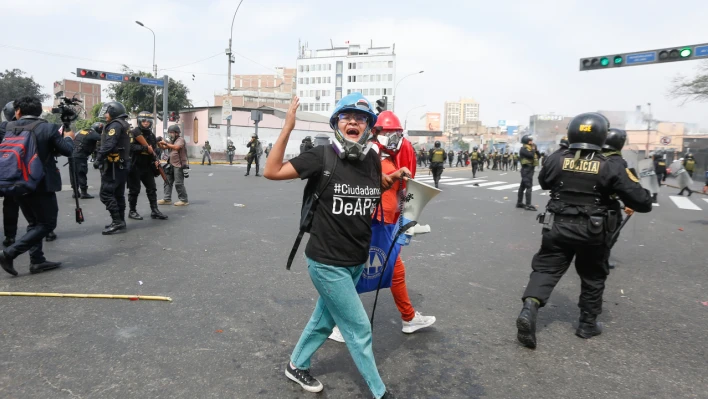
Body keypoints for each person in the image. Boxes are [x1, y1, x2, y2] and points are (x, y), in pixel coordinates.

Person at [264, 94, 399, 399]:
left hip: (357, 260)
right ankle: (380, 392)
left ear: (368, 127)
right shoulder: (321, 156)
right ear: (337, 122)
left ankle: (296, 364)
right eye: (346, 116)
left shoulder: (372, 160)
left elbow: (371, 187)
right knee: (359, 327)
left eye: (361, 117)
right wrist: (288, 127)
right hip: (326, 262)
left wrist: (392, 179)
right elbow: (271, 171)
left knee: (324, 319)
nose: (353, 121)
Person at [515, 113, 652, 349]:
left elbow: (545, 182)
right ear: (602, 135)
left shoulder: (557, 158)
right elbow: (642, 202)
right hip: (594, 231)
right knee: (592, 276)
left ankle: (530, 307)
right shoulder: (611, 164)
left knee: (546, 268)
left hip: (556, 225)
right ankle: (587, 325)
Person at [328, 110, 435, 343]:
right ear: (375, 132)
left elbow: (404, 190)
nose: (394, 137)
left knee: (394, 271)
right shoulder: (369, 154)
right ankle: (336, 323)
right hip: (369, 222)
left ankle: (408, 317)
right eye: (389, 132)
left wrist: (406, 220)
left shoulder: (393, 155)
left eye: (397, 132)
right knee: (355, 274)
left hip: (386, 224)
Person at [0, 96, 74, 276]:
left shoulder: (8, 127)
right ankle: (10, 253)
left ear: (18, 111)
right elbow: (67, 150)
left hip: (16, 180)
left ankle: (37, 260)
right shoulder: (47, 128)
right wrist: (70, 138)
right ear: (39, 110)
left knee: (34, 222)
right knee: (48, 223)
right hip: (40, 183)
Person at [93, 101, 131, 235]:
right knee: (118, 194)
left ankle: (117, 221)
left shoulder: (115, 125)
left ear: (114, 112)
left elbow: (109, 144)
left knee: (105, 193)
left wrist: (98, 158)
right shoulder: (123, 124)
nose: (106, 114)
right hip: (122, 165)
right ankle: (121, 221)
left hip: (114, 166)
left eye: (107, 112)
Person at [601, 129, 634, 270]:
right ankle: (602, 259)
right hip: (607, 205)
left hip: (585, 201)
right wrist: (629, 203)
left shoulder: (592, 156)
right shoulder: (618, 162)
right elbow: (625, 187)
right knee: (610, 232)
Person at [127, 111, 168, 221]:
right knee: (134, 190)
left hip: (147, 167)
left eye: (148, 121)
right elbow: (130, 148)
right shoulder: (133, 133)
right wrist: (144, 148)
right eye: (143, 121)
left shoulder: (151, 135)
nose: (146, 123)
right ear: (139, 121)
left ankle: (154, 210)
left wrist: (156, 160)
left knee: (152, 189)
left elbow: (153, 149)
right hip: (134, 165)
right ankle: (132, 211)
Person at [1, 102, 21, 248]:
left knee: (9, 205)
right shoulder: (35, 126)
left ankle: (10, 236)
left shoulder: (3, 128)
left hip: (6, 172)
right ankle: (46, 231)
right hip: (26, 173)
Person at [157, 125, 189, 206]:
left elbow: (176, 147)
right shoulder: (171, 140)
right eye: (169, 132)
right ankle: (167, 199)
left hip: (179, 165)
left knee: (178, 183)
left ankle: (184, 200)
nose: (170, 134)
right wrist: (158, 142)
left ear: (177, 133)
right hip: (170, 164)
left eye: (171, 132)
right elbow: (164, 147)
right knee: (167, 182)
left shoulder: (180, 140)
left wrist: (166, 143)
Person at [70, 122, 102, 200]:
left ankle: (75, 192)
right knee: (81, 173)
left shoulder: (82, 131)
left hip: (72, 155)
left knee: (73, 174)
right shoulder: (93, 133)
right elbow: (103, 139)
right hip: (80, 156)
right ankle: (84, 193)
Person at [516, 135, 540, 211]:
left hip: (530, 169)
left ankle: (519, 203)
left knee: (522, 186)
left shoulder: (531, 148)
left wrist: (536, 150)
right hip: (526, 169)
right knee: (529, 187)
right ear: (526, 141)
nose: (532, 142)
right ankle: (528, 204)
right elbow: (531, 156)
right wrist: (533, 150)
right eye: (530, 141)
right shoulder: (523, 149)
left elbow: (538, 156)